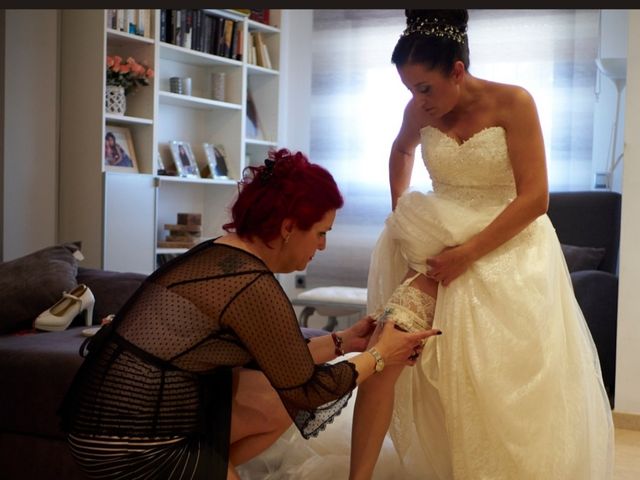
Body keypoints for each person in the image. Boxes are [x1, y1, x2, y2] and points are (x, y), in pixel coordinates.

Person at [58, 148, 441, 480]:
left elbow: (285, 367)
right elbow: (310, 392)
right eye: (321, 233)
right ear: (289, 227)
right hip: (131, 445)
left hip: (104, 424)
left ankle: (210, 467)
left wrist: (344, 342)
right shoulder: (250, 285)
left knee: (272, 403)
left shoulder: (223, 254)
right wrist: (377, 356)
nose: (322, 246)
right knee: (286, 400)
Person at [347, 9, 615, 480]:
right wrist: (401, 212)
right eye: (409, 90)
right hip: (437, 245)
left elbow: (535, 198)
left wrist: (466, 255)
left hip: (509, 247)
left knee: (492, 377)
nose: (418, 102)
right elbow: (401, 148)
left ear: (457, 70)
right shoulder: (418, 111)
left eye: (425, 88)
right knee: (385, 349)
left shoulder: (514, 103)